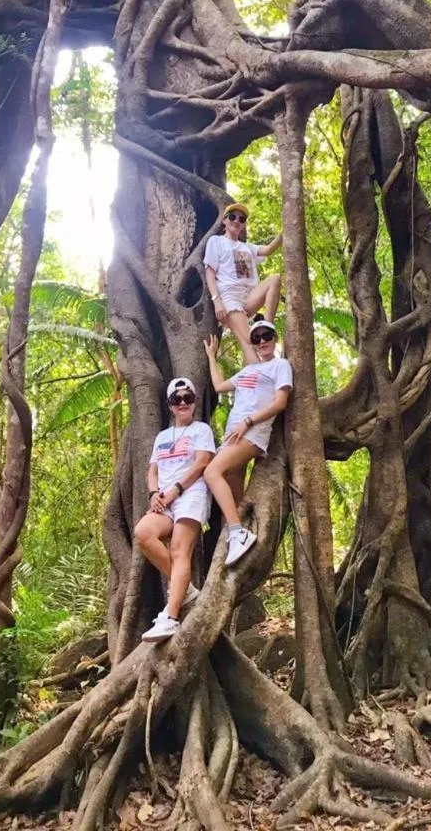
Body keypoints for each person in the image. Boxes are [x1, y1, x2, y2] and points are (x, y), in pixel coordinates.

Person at [203, 317, 293, 566]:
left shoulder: (280, 366)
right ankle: (232, 546)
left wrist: (249, 421)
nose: (262, 341)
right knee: (232, 501)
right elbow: (220, 386)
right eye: (257, 338)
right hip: (233, 436)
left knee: (212, 472)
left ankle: (238, 533)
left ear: (274, 339)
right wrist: (212, 356)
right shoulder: (247, 371)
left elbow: (280, 402)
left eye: (267, 336)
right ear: (252, 344)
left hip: (251, 435)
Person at [134, 377, 216, 641]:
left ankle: (170, 615)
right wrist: (153, 494)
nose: (182, 403)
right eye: (176, 399)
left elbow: (202, 463)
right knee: (143, 532)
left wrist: (176, 490)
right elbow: (153, 471)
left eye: (187, 398)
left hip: (189, 495)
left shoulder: (201, 430)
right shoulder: (162, 437)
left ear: (194, 402)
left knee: (180, 550)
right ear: (170, 405)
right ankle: (187, 589)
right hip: (163, 499)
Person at [204, 203, 282, 364]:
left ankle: (267, 325)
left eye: (242, 218)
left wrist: (285, 231)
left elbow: (268, 250)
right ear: (224, 221)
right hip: (230, 297)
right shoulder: (216, 241)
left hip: (249, 295)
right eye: (232, 217)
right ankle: (256, 382)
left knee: (274, 279)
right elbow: (210, 273)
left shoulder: (247, 247)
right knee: (249, 341)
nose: (237, 220)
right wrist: (217, 301)